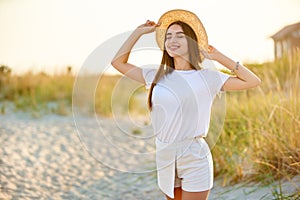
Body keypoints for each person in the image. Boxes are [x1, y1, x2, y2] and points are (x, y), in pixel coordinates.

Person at [111, 9, 261, 200]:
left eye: (180, 36)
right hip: (165, 155)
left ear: (191, 42)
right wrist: (138, 33)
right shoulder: (156, 75)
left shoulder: (207, 77)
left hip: (194, 156)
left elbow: (253, 81)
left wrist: (219, 57)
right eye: (169, 36)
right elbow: (117, 62)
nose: (173, 40)